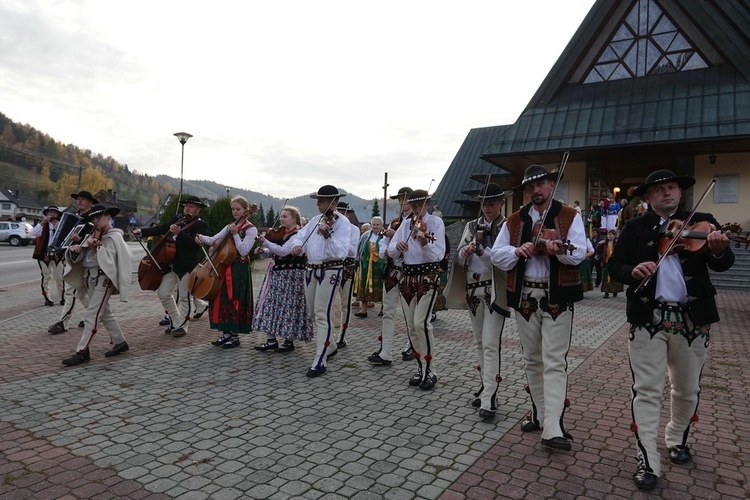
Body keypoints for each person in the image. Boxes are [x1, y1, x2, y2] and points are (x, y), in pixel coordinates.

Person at [608, 169, 734, 491]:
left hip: (693, 319)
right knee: (647, 390)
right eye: (660, 189)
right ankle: (647, 458)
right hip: (648, 319)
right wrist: (632, 271)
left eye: (673, 187)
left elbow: (722, 262)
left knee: (687, 389)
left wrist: (718, 248)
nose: (668, 193)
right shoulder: (635, 227)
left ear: (679, 193)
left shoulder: (702, 220)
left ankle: (676, 437)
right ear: (648, 197)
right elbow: (615, 265)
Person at [489, 164, 586, 451]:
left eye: (540, 184)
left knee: (555, 361)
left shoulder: (570, 215)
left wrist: (560, 252)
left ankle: (553, 426)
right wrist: (517, 251)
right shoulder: (515, 220)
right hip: (525, 296)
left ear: (551, 185)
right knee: (532, 359)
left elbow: (578, 252)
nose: (536, 190)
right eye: (530, 187)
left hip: (557, 296)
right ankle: (541, 413)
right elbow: (496, 254)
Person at [446, 183, 511, 419]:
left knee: (491, 342)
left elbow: (506, 261)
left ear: (502, 203)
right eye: (484, 203)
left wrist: (485, 252)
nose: (487, 207)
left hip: (495, 289)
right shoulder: (471, 226)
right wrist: (464, 253)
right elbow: (460, 260)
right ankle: (486, 385)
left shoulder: (507, 226)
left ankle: (490, 396)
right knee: (480, 342)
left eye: (492, 203)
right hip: (474, 289)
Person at [289, 185, 351, 377]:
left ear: (333, 202)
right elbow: (301, 236)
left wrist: (328, 235)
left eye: (321, 201)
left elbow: (341, 252)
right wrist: (298, 245)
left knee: (322, 313)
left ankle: (320, 358)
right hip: (311, 270)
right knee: (313, 312)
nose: (318, 204)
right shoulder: (315, 220)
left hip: (330, 270)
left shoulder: (343, 223)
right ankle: (330, 346)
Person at [387, 189, 445, 390]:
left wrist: (424, 243)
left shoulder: (436, 223)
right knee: (411, 326)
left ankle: (431, 369)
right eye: (414, 206)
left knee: (421, 323)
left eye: (421, 205)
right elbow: (390, 250)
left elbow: (438, 255)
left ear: (427, 205)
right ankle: (420, 367)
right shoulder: (405, 224)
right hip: (408, 277)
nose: (417, 209)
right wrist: (399, 246)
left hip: (427, 276)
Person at [61, 205, 132, 366]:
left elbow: (113, 260)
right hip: (90, 278)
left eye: (98, 217)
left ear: (109, 218)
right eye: (93, 218)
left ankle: (83, 351)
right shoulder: (93, 235)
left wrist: (96, 248)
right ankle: (120, 342)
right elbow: (84, 259)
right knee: (104, 313)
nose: (95, 221)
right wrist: (76, 250)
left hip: (102, 279)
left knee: (91, 314)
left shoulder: (115, 237)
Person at [132, 195, 208, 338]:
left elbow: (194, 244)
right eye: (186, 206)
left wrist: (179, 233)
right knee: (163, 293)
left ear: (198, 210)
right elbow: (161, 229)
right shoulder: (177, 219)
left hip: (187, 265)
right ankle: (175, 320)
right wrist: (142, 232)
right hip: (169, 264)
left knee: (185, 296)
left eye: (191, 206)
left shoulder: (200, 225)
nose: (187, 208)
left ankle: (183, 326)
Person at [194, 196, 257, 349]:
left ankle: (235, 336)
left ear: (245, 211)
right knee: (221, 299)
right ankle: (226, 333)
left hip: (238, 269)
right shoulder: (230, 226)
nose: (235, 212)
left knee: (234, 298)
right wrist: (201, 238)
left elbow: (244, 251)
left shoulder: (251, 229)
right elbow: (214, 239)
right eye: (233, 209)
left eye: (238, 209)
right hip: (223, 268)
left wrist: (235, 234)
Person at [253, 206, 313, 351]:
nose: (281, 219)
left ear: (294, 218)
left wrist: (266, 242)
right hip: (277, 275)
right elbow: (275, 252)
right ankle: (271, 340)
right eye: (281, 216)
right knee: (270, 305)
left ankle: (288, 341)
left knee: (289, 308)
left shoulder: (298, 235)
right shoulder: (282, 234)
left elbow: (284, 252)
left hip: (291, 277)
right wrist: (263, 252)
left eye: (285, 216)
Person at [367, 187, 414, 366]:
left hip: (410, 271)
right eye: (401, 198)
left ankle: (413, 346)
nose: (403, 201)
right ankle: (386, 350)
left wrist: (394, 237)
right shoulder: (395, 221)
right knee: (388, 311)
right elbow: (383, 244)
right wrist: (386, 249)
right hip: (393, 270)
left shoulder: (417, 222)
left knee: (411, 313)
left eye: (406, 198)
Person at [48, 190, 97, 335]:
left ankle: (64, 322)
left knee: (71, 291)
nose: (79, 201)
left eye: (83, 199)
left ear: (90, 202)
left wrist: (78, 240)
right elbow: (64, 239)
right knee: (81, 293)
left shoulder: (93, 219)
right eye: (78, 199)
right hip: (70, 256)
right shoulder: (72, 217)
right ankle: (96, 315)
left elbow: (94, 240)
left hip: (84, 259)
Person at [335, 201, 360, 348]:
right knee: (329, 304)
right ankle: (329, 335)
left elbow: (352, 251)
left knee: (345, 303)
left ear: (347, 214)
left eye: (342, 212)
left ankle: (342, 336)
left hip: (347, 266)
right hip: (332, 266)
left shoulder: (353, 229)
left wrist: (336, 240)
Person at [31, 206, 65, 307]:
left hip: (57, 254)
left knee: (59, 277)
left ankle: (62, 298)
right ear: (46, 214)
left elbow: (64, 238)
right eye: (50, 212)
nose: (52, 215)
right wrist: (42, 223)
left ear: (58, 215)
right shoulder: (42, 225)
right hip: (43, 253)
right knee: (46, 277)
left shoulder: (61, 225)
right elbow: (33, 233)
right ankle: (47, 298)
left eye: (54, 213)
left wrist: (57, 228)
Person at [354, 217, 385, 318]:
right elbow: (359, 247)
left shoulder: (385, 236)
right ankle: (363, 310)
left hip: (380, 265)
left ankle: (383, 308)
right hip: (366, 265)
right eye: (374, 224)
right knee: (364, 284)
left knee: (381, 285)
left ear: (381, 226)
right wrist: (358, 260)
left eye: (377, 225)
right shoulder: (366, 235)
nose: (375, 226)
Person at [596, 229, 623, 298]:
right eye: (608, 234)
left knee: (614, 277)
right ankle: (606, 292)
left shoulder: (617, 243)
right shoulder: (605, 243)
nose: (609, 236)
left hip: (615, 263)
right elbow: (598, 251)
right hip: (606, 262)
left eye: (611, 234)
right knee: (606, 278)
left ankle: (615, 290)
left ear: (614, 236)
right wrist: (599, 244)